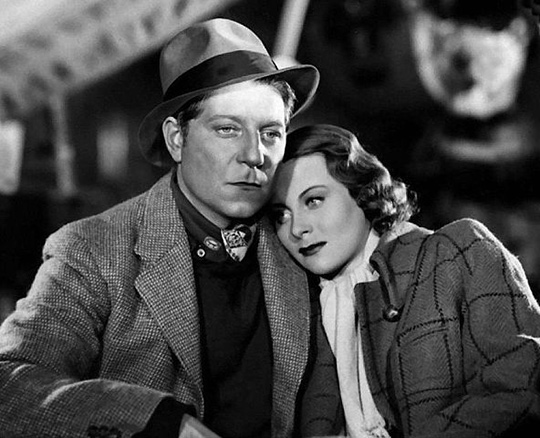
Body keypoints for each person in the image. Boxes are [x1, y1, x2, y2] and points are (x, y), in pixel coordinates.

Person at [0, 20, 344, 438]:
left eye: (271, 133)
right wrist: (160, 423)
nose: (255, 155)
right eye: (227, 129)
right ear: (177, 138)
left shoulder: (306, 240)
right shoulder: (92, 250)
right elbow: (10, 385)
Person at [270, 123, 540, 438]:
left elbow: (520, 389)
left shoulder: (457, 251)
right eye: (281, 215)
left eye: (314, 200)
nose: (296, 228)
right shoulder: (307, 312)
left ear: (363, 192)